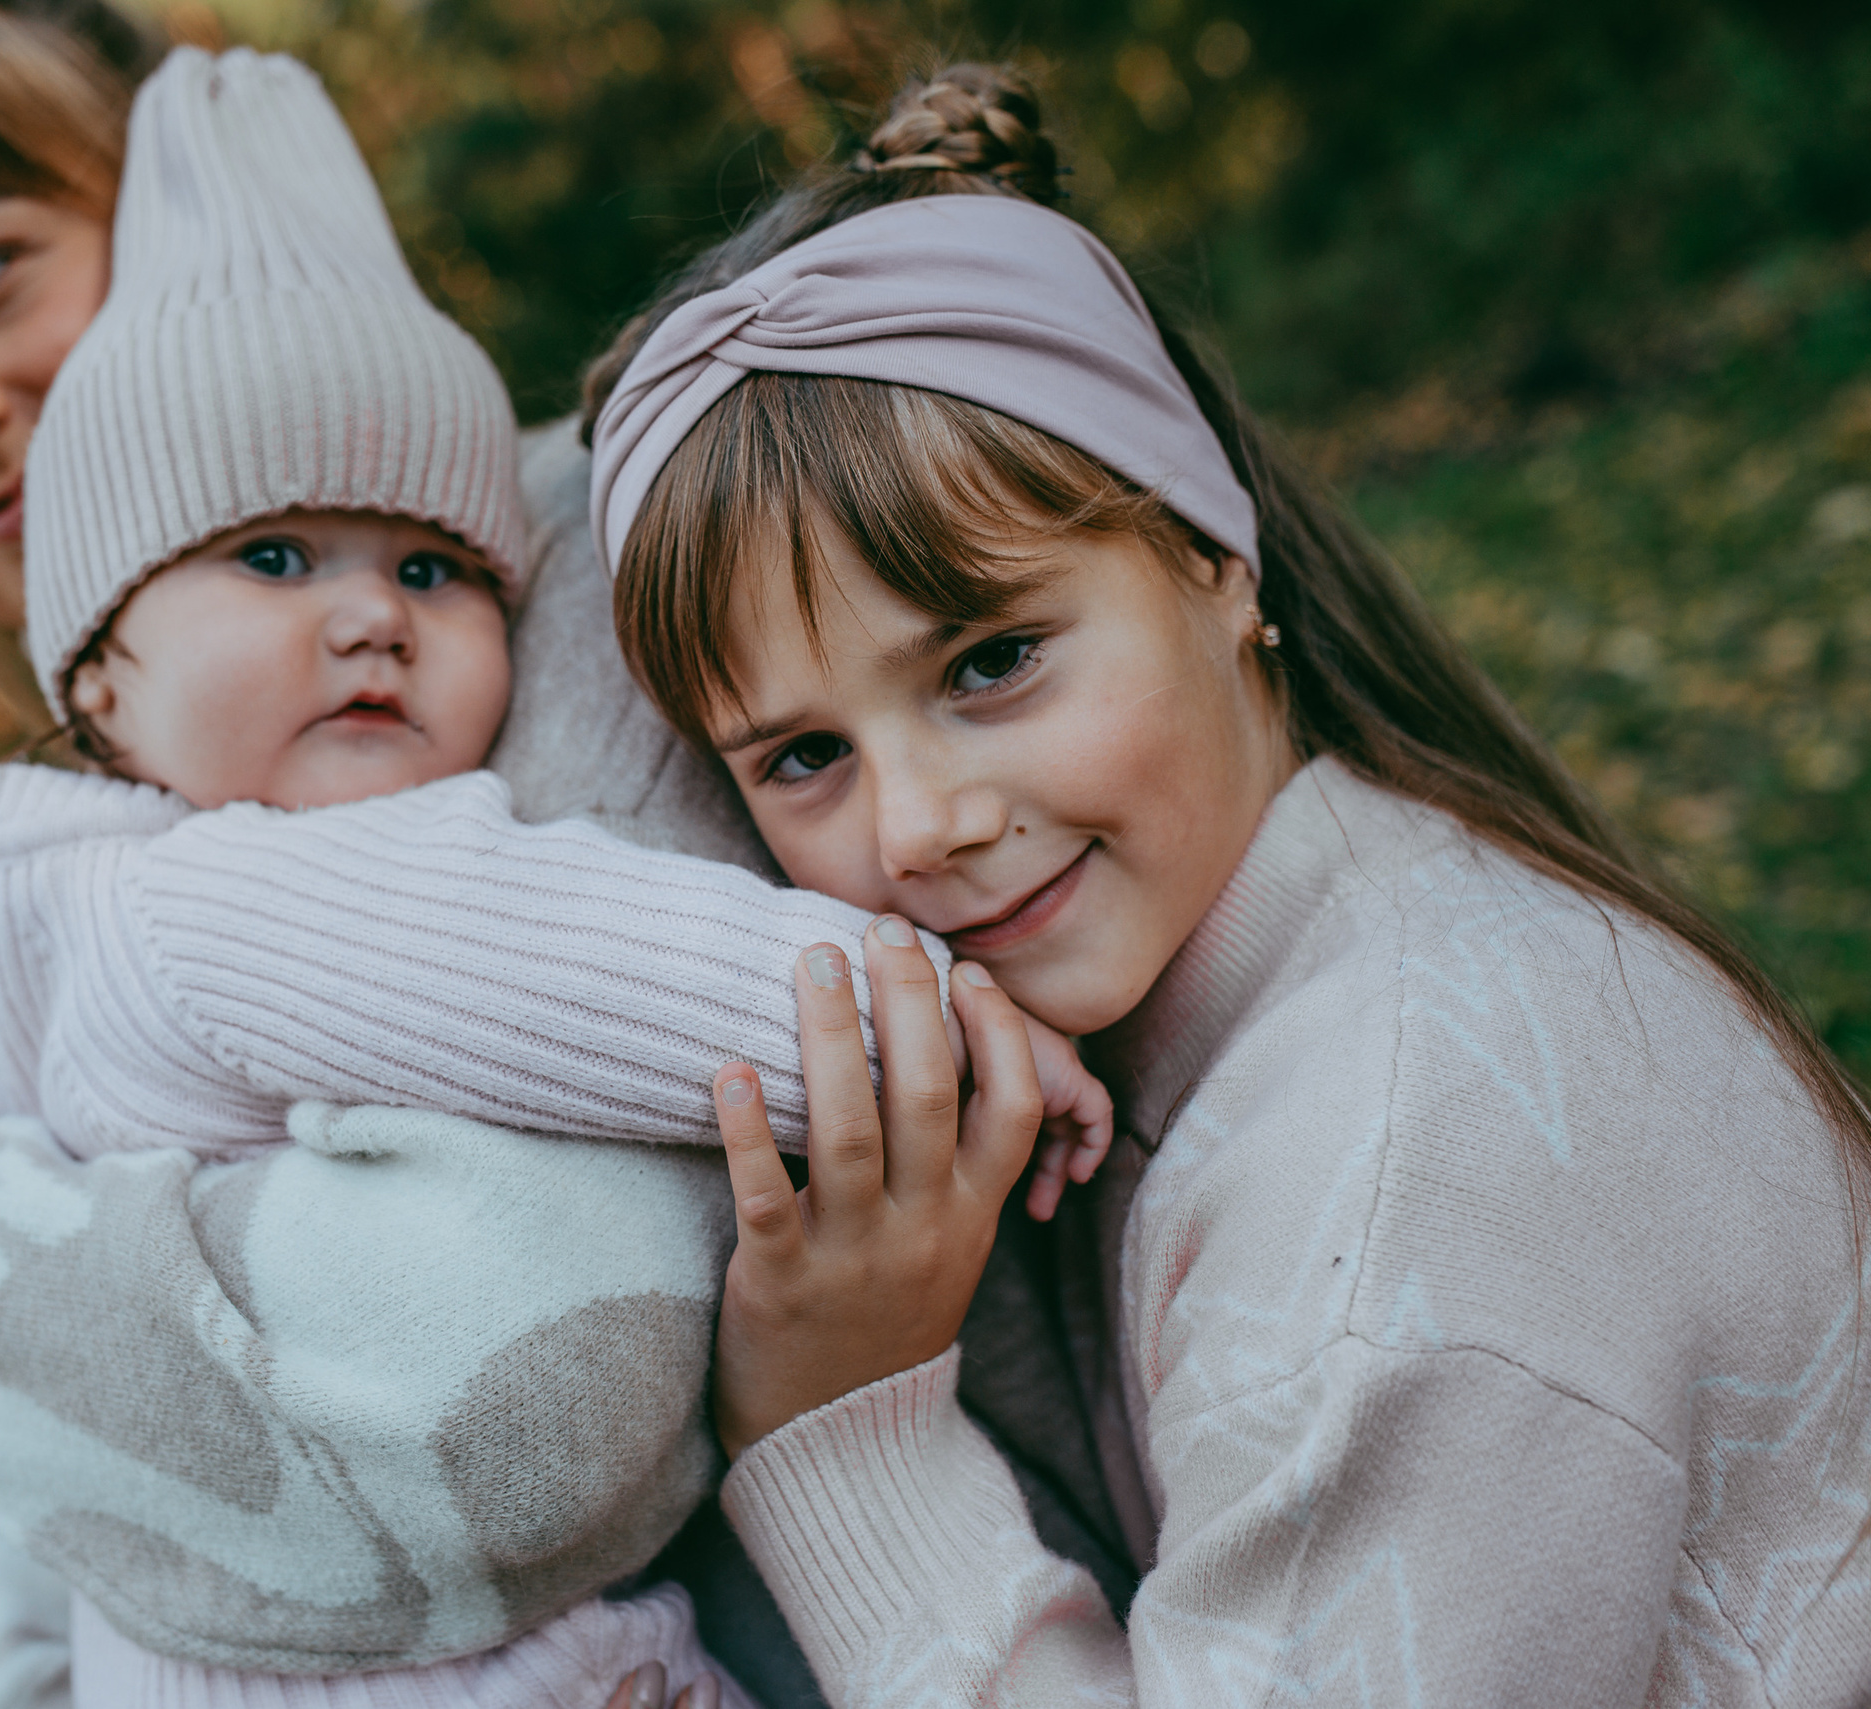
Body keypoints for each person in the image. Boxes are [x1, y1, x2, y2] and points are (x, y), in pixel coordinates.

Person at [0, 8, 1131, 1707]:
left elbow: (507, 1411)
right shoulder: (129, 809)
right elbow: (39, 1541)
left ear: (176, 182)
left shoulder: (576, 588)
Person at [579, 62, 1871, 1706]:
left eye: (991, 659)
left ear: (1214, 557)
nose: (916, 828)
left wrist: (844, 1432)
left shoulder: (1404, 1173)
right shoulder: (1275, 1000)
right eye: (800, 757)